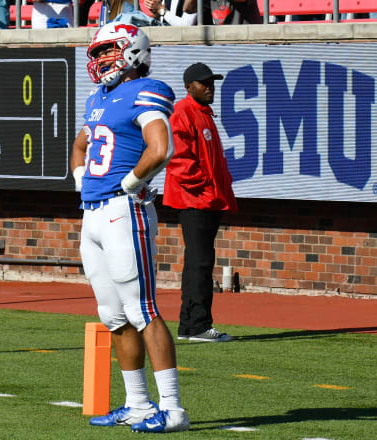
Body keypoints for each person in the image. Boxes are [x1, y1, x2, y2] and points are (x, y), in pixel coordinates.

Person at [70, 22, 190, 433]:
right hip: (93, 213)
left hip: (124, 210)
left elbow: (161, 148)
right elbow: (81, 143)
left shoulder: (147, 89)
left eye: (108, 51)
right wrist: (79, 178)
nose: (101, 59)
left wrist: (130, 182)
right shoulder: (97, 98)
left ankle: (173, 409)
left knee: (143, 311)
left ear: (133, 50)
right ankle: (138, 404)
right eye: (97, 53)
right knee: (112, 315)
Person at [163, 62, 238, 342]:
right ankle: (198, 326)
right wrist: (207, 187)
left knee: (199, 262)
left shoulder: (202, 114)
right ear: (189, 86)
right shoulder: (183, 112)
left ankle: (189, 325)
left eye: (212, 82)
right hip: (195, 201)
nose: (210, 87)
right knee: (201, 263)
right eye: (203, 83)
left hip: (205, 200)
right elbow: (179, 160)